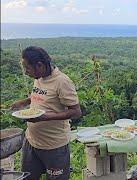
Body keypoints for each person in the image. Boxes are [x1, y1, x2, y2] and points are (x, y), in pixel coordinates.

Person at [10, 46, 82, 180]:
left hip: (54, 147)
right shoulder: (39, 77)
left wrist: (44, 117)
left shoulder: (62, 82)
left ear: (39, 65)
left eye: (27, 68)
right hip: (31, 142)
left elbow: (76, 111)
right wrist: (24, 102)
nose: (26, 72)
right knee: (26, 178)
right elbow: (43, 96)